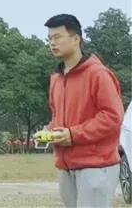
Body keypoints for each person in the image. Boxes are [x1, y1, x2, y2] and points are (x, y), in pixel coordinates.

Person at [44, 13, 125, 207]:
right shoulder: (57, 78)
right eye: (49, 38)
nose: (52, 43)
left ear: (76, 39)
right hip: (66, 166)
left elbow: (113, 117)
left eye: (57, 37)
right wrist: (51, 131)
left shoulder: (98, 74)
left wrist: (73, 135)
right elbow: (57, 116)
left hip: (95, 165)